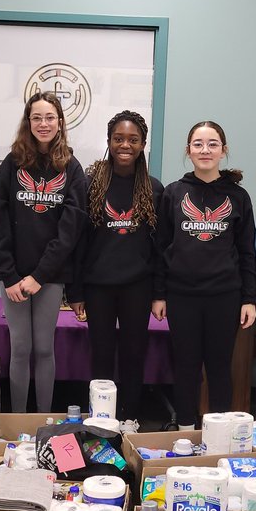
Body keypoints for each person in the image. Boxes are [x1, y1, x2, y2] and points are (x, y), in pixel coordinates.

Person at [153, 121, 256, 430]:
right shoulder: (174, 193)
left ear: (223, 151)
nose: (205, 150)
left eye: (212, 144)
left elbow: (248, 250)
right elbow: (160, 248)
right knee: (185, 367)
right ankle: (185, 429)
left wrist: (249, 298)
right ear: (188, 151)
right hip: (181, 296)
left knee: (219, 368)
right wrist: (158, 294)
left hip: (224, 296)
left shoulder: (238, 197)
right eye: (198, 144)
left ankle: (219, 434)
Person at [0, 91, 87, 412]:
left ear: (59, 122)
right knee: (19, 348)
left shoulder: (71, 168)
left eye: (49, 117)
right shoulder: (12, 165)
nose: (43, 124)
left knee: (44, 348)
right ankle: (17, 422)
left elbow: (70, 230)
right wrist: (10, 275)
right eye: (36, 117)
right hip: (14, 278)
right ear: (27, 122)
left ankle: (41, 420)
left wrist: (40, 276)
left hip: (50, 276)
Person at [69, 110, 163, 434]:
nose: (125, 144)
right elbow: (78, 242)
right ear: (109, 142)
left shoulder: (153, 188)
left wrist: (159, 293)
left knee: (134, 355)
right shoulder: (90, 184)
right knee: (102, 356)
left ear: (142, 144)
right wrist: (75, 292)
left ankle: (131, 417)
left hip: (138, 286)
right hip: (98, 287)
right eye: (119, 139)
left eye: (133, 139)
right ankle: (101, 418)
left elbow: (160, 249)